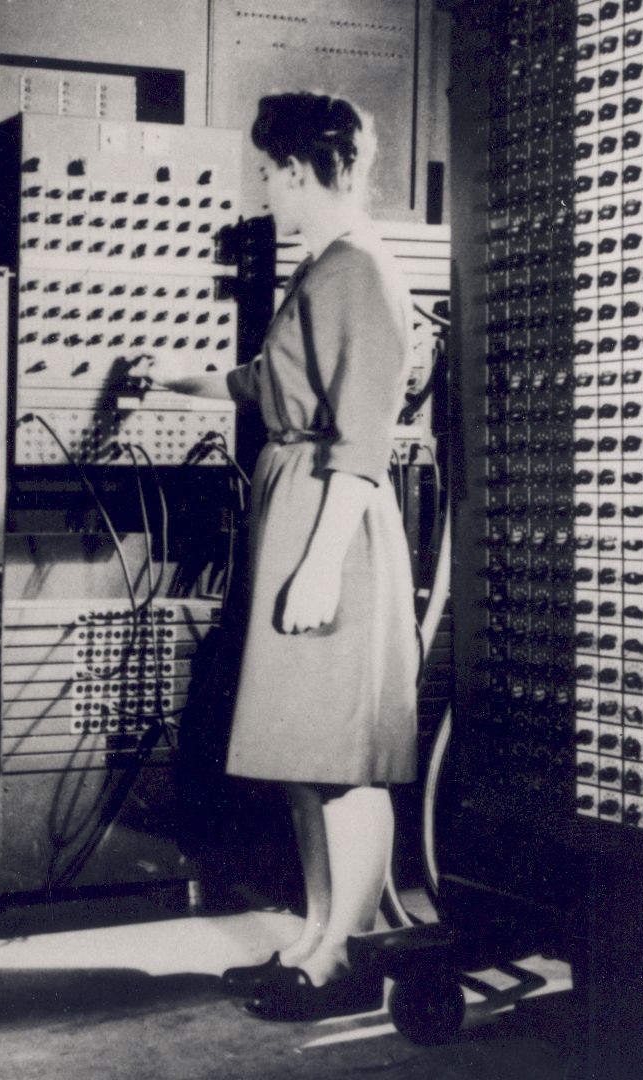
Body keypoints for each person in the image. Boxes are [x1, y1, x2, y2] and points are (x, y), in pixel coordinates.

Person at [160, 92, 418, 1021]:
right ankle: (317, 934)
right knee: (302, 751)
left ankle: (342, 954)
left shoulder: (359, 272)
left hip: (330, 525)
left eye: (270, 174)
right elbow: (266, 383)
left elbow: (362, 438)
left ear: (304, 173)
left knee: (340, 755)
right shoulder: (324, 271)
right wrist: (171, 379)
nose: (264, 191)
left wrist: (316, 563)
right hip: (297, 508)